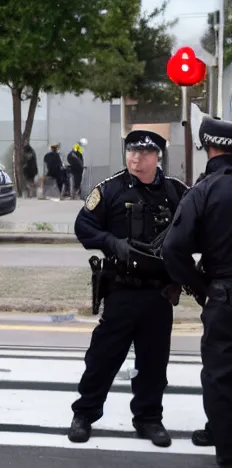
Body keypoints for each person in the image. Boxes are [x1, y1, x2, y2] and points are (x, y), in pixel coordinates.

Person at [68, 129, 188, 447]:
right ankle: (84, 414)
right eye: (132, 152)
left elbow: (198, 229)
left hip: (159, 294)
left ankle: (149, 419)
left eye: (144, 153)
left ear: (157, 156)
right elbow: (83, 226)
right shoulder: (110, 190)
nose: (136, 158)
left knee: (153, 362)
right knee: (103, 358)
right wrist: (113, 244)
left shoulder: (177, 192)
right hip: (121, 290)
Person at [161, 115, 232, 468]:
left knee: (221, 369)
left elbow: (173, 249)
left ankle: (225, 442)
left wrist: (201, 288)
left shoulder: (205, 190)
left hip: (224, 293)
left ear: (208, 147)